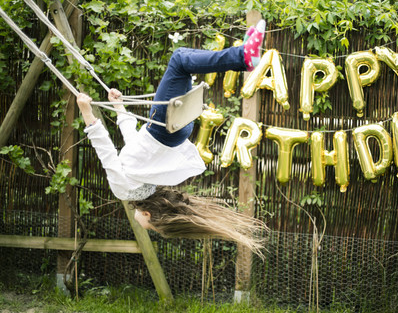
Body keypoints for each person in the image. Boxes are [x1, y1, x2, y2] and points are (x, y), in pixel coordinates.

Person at [76, 20, 268, 256]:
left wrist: (119, 107)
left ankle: (244, 54)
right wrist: (87, 112)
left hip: (177, 132)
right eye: (148, 225)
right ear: (147, 214)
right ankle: (245, 57)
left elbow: (134, 144)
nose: (143, 225)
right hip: (162, 128)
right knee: (179, 60)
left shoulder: (149, 186)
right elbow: (106, 153)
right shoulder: (125, 191)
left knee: (183, 61)